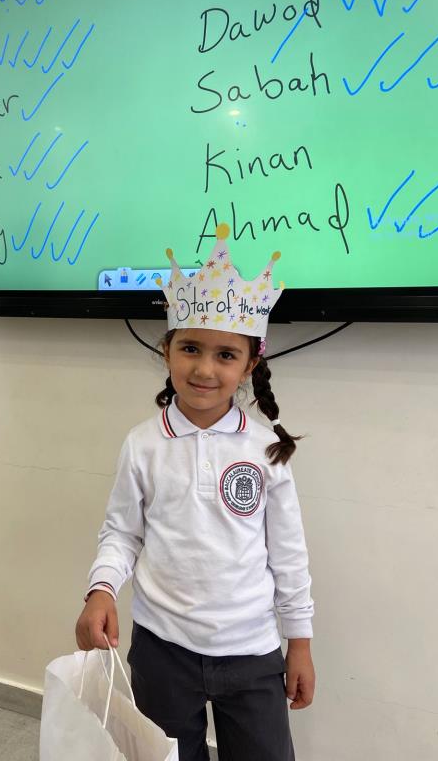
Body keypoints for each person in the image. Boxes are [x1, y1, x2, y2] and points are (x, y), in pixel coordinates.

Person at [76, 224, 315, 761]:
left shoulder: (265, 449)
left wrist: (298, 642)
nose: (205, 368)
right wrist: (101, 589)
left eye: (226, 355)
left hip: (253, 652)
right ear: (167, 352)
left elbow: (289, 555)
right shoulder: (143, 444)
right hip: (162, 651)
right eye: (190, 348)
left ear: (250, 365)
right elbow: (122, 533)